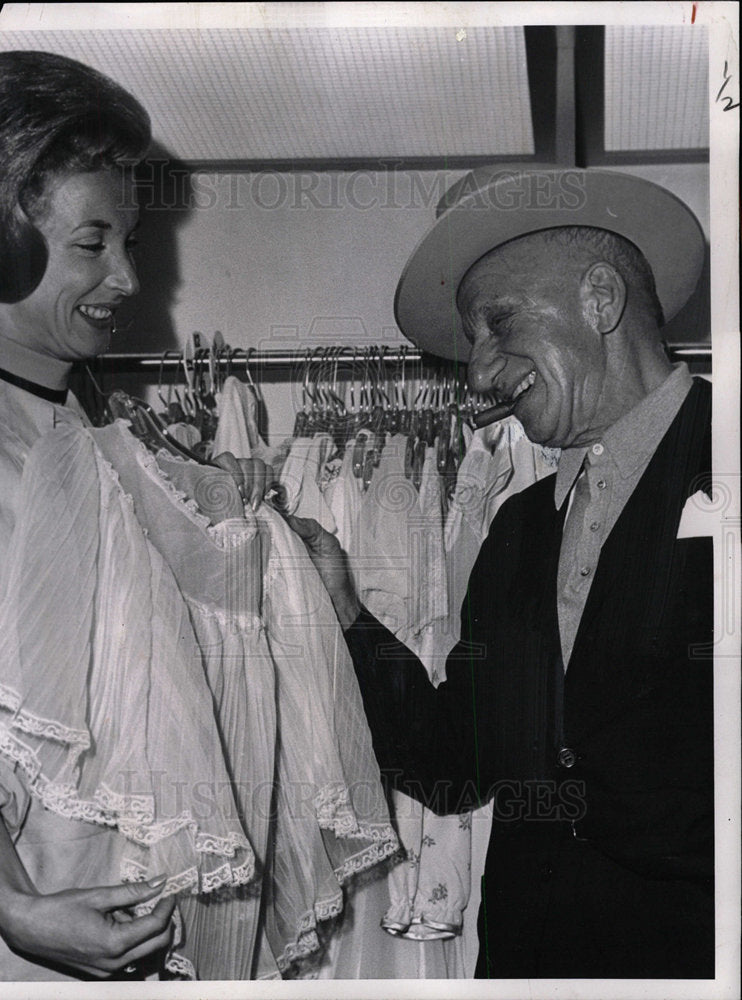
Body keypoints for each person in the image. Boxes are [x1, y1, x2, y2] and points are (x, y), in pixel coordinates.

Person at [287, 164, 714, 979]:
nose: (478, 373)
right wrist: (343, 609)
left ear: (600, 299)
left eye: (497, 322)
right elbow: (455, 766)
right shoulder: (517, 529)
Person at [0, 51, 273, 981]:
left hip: (121, 930)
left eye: (129, 244)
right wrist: (15, 901)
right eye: (92, 245)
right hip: (8, 937)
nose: (129, 281)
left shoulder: (89, 438)